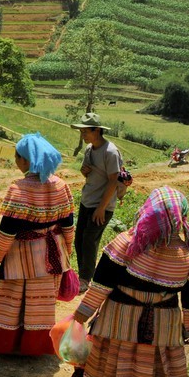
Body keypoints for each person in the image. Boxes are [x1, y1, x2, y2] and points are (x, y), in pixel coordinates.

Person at [69, 187, 189, 377]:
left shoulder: (126, 244)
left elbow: (100, 286)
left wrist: (81, 315)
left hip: (118, 322)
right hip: (160, 328)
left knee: (112, 368)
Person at [0, 133, 75, 356]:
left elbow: (7, 230)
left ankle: (9, 345)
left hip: (22, 258)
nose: (15, 161)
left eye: (16, 156)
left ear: (25, 160)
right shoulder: (61, 186)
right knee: (40, 304)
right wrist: (66, 252)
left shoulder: (19, 190)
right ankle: (36, 346)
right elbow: (68, 225)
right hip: (52, 256)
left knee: (13, 301)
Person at [73, 112, 124, 282]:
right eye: (82, 132)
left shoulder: (110, 152)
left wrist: (102, 208)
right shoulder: (89, 149)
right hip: (87, 201)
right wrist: (84, 171)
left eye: (85, 131)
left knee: (89, 241)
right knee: (79, 239)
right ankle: (84, 274)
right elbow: (85, 171)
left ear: (97, 130)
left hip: (101, 206)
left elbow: (113, 181)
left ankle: (86, 279)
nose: (83, 135)